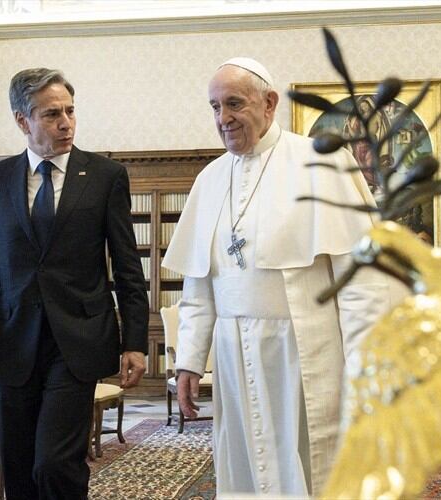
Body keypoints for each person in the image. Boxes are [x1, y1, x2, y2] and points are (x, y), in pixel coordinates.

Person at [162, 58, 392, 497]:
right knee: (244, 464)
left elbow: (361, 283)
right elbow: (199, 285)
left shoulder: (323, 164)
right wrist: (190, 359)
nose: (223, 118)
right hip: (232, 352)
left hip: (304, 351)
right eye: (214, 107)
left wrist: (367, 368)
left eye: (234, 104)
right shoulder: (209, 180)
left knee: (309, 462)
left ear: (269, 103)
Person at [0, 68, 149, 499]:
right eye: (52, 114)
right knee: (19, 468)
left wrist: (135, 341)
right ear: (23, 121)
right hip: (15, 342)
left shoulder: (105, 176)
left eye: (70, 111)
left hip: (78, 341)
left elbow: (128, 266)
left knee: (56, 463)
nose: (66, 123)